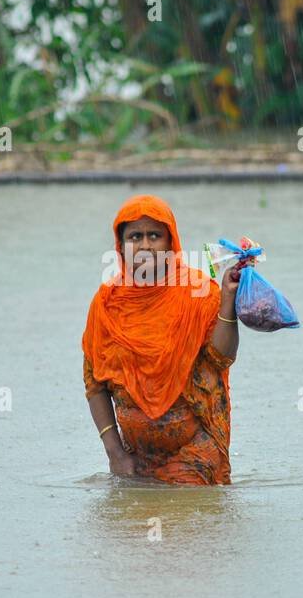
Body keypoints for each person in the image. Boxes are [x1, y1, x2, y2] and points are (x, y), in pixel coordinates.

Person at [81, 195, 249, 485]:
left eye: (154, 236)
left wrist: (228, 299)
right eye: (135, 236)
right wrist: (115, 453)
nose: (145, 245)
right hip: (134, 456)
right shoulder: (106, 304)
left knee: (188, 525)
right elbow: (95, 383)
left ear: (171, 244)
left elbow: (222, 358)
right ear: (121, 246)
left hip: (193, 452)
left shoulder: (198, 292)